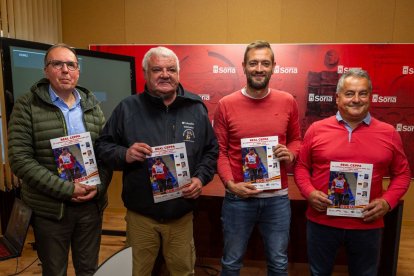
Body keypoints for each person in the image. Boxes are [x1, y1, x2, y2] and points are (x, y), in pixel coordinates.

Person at [95, 46, 218, 276]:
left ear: (178, 73)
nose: (165, 74)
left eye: (171, 69)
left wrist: (200, 179)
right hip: (141, 215)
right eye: (157, 69)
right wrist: (125, 154)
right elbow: (103, 147)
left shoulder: (196, 108)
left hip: (181, 214)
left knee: (182, 272)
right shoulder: (127, 108)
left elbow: (211, 152)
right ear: (146, 74)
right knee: (137, 272)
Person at [294, 68, 411, 275]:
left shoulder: (389, 133)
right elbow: (302, 167)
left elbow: (402, 175)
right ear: (338, 98)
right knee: (318, 272)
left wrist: (387, 201)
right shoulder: (316, 129)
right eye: (349, 94)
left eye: (362, 93)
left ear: (370, 97)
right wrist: (309, 192)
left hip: (367, 224)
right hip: (322, 222)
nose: (356, 99)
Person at [8, 44, 112, 276]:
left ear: (78, 71)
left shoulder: (92, 106)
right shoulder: (27, 106)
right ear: (46, 70)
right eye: (57, 64)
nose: (65, 70)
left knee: (88, 269)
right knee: (55, 271)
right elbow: (20, 159)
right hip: (51, 210)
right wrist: (67, 189)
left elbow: (104, 153)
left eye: (71, 65)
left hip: (90, 206)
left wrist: (100, 186)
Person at [213, 40, 301, 275]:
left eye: (265, 63)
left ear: (273, 66)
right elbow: (220, 151)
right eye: (253, 63)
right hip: (238, 199)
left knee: (279, 263)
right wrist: (231, 185)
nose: (259, 68)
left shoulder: (288, 101)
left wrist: (291, 153)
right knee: (231, 263)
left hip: (277, 200)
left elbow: (296, 140)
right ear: (243, 66)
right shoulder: (225, 104)